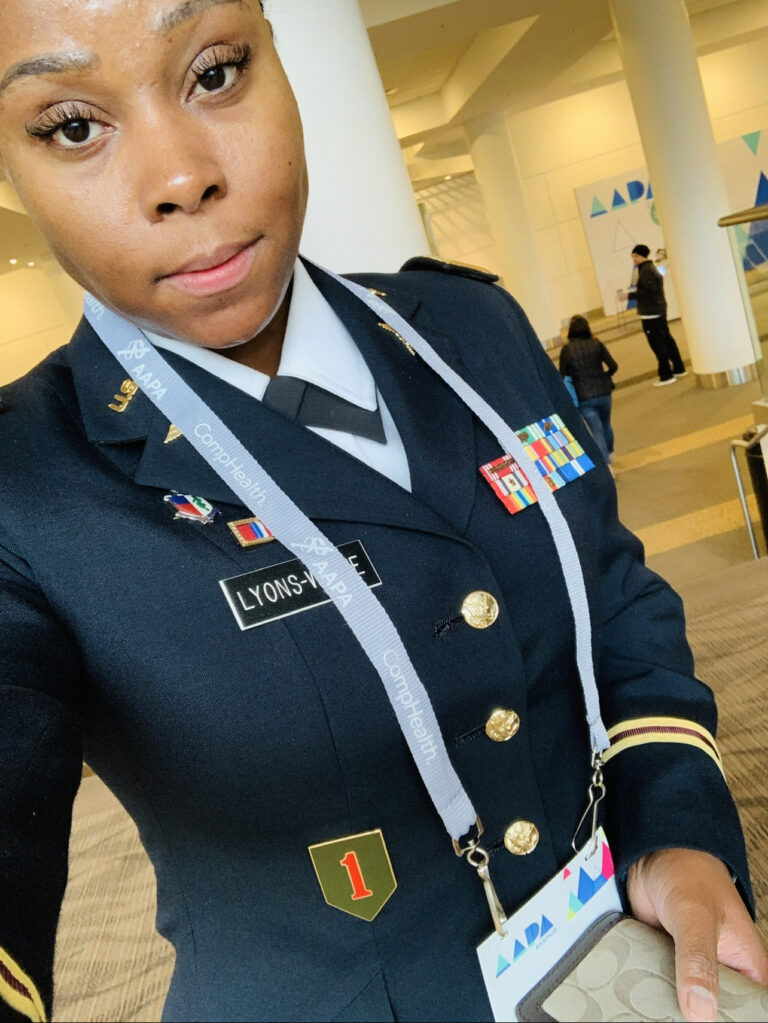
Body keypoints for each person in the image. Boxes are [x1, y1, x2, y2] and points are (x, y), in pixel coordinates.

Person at [0, 3, 766, 1022]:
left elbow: (618, 601)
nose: (182, 175)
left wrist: (678, 826)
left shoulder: (469, 330)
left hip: (627, 964)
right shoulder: (26, 483)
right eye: (73, 127)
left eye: (216, 72)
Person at [559, 315, 618, 468]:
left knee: (596, 430)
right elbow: (613, 365)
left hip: (583, 396)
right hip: (604, 392)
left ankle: (607, 465)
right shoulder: (596, 343)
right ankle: (611, 452)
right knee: (606, 424)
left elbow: (563, 374)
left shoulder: (567, 350)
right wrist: (605, 376)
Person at [629, 243, 687, 386]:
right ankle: (678, 368)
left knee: (657, 343)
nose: (634, 259)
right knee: (667, 339)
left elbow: (649, 292)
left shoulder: (646, 270)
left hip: (650, 313)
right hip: (658, 310)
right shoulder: (650, 269)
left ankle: (666, 375)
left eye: (635, 256)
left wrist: (629, 296)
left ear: (641, 255)